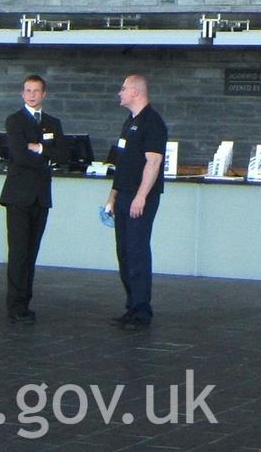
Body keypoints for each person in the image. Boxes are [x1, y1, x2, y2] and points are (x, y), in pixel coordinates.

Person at [105, 73, 167, 329]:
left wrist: (141, 196)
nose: (119, 93)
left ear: (136, 92)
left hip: (140, 197)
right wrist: (112, 197)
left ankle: (142, 311)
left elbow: (153, 163)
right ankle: (131, 305)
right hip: (124, 196)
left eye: (123, 89)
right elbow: (121, 165)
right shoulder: (128, 123)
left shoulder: (152, 123)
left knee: (137, 251)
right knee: (124, 253)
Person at [0, 74, 63, 324]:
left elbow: (63, 154)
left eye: (36, 91)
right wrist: (45, 155)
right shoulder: (14, 121)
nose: (32, 94)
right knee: (18, 252)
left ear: (44, 94)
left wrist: (39, 148)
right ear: (22, 93)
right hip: (18, 196)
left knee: (32, 252)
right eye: (27, 90)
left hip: (40, 197)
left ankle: (26, 302)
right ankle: (15, 305)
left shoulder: (53, 123)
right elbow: (19, 155)